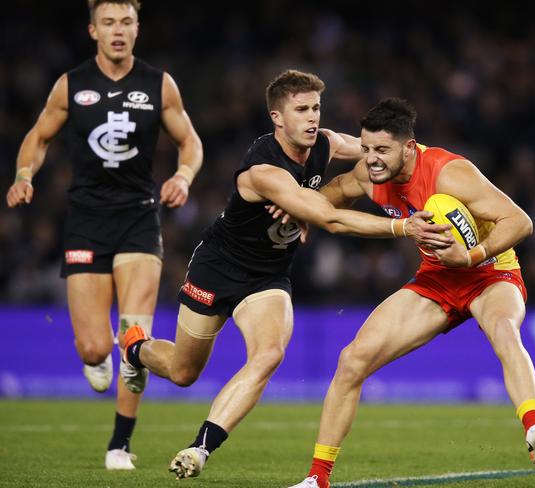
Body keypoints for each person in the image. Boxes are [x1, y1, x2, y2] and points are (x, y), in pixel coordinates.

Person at [120, 70, 444, 480]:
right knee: (183, 372)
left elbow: (380, 150)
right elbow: (330, 220)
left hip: (268, 275)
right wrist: (402, 226)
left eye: (316, 108)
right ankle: (135, 349)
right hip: (217, 268)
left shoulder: (324, 143)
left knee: (269, 353)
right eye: (302, 109)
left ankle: (200, 448)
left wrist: (423, 160)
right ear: (277, 118)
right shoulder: (263, 171)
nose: (312, 118)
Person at [288, 98, 535, 488]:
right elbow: (336, 190)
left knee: (503, 330)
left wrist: (471, 256)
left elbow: (520, 221)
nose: (372, 160)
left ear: (408, 146)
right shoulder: (370, 173)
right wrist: (298, 209)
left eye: (382, 150)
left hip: (490, 272)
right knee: (352, 360)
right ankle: (317, 479)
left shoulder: (450, 174)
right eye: (366, 149)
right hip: (436, 277)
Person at [5, 0, 203, 470]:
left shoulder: (159, 84)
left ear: (138, 28)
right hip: (86, 222)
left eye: (126, 22)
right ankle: (97, 356)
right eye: (108, 23)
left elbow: (190, 141)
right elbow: (39, 135)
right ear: (92, 30)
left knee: (134, 335)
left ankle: (120, 444)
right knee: (96, 348)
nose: (118, 30)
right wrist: (24, 173)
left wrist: (183, 177)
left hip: (138, 219)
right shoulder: (71, 85)